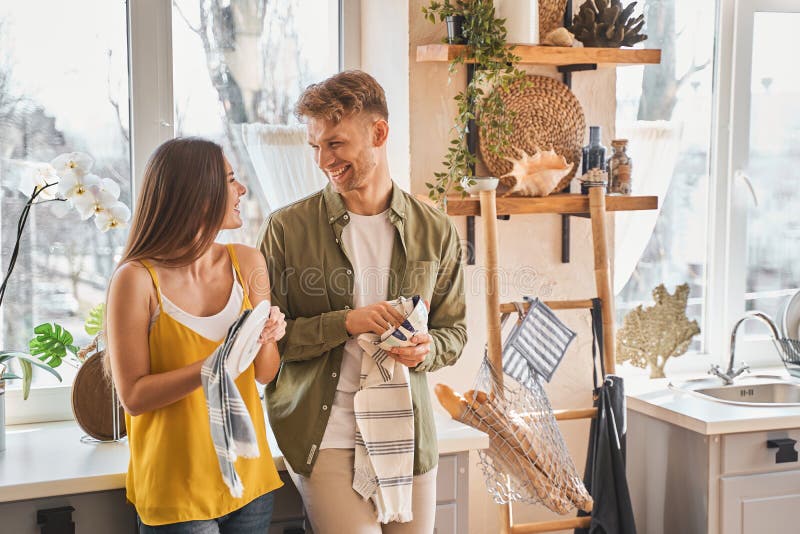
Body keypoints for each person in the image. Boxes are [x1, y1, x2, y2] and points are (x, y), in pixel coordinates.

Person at [258, 70, 467, 533]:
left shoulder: (436, 230)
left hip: (408, 435)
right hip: (325, 435)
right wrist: (346, 322)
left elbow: (455, 331)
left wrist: (427, 349)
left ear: (378, 133)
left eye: (334, 144)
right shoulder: (285, 230)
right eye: (315, 146)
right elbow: (268, 342)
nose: (323, 160)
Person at [105, 137, 285, 533]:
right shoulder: (136, 280)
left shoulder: (247, 262)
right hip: (176, 490)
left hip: (250, 482)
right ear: (198, 194)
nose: (241, 190)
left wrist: (268, 333)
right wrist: (213, 366)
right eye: (231, 179)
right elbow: (133, 397)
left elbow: (264, 374)